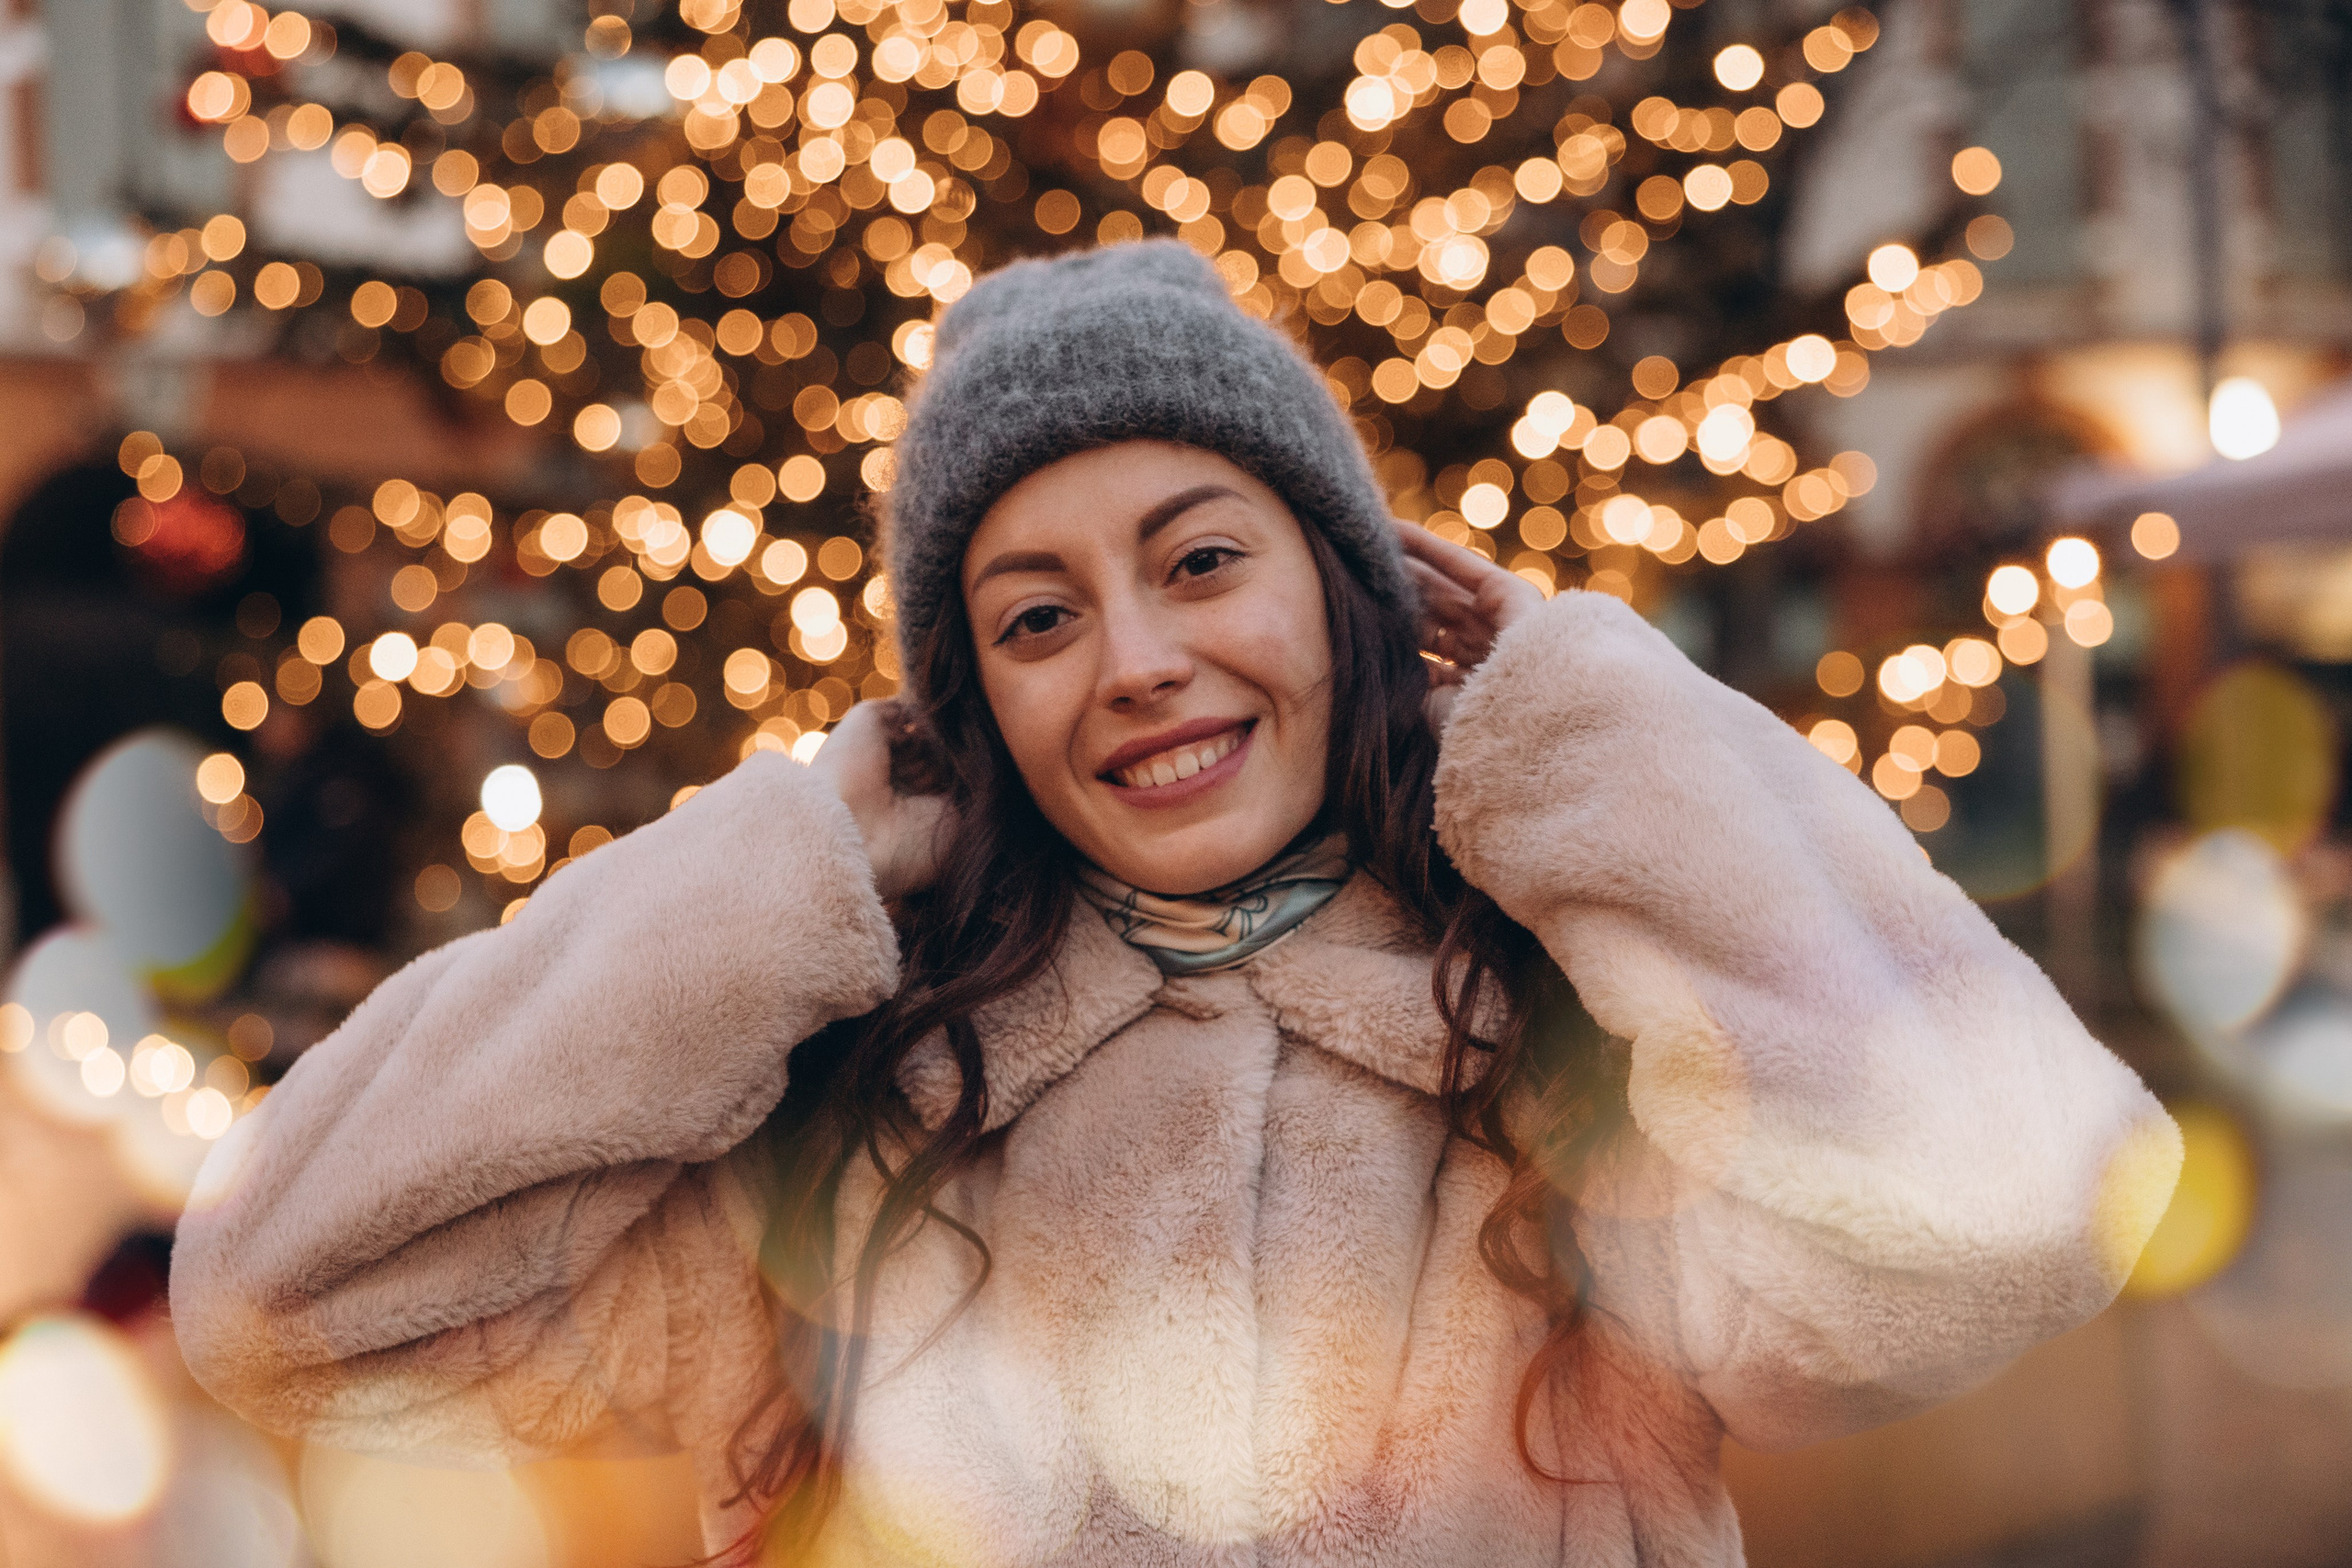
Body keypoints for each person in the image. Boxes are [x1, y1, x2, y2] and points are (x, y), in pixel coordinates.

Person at [172, 242, 2182, 1567]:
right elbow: (284, 1296)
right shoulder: (851, 1115)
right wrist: (779, 855)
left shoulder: (1573, 1057)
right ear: (968, 711)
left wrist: (1596, 718)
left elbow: (2015, 1205)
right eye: (1033, 617)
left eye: (1201, 558)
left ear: (1345, 588)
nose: (1131, 658)